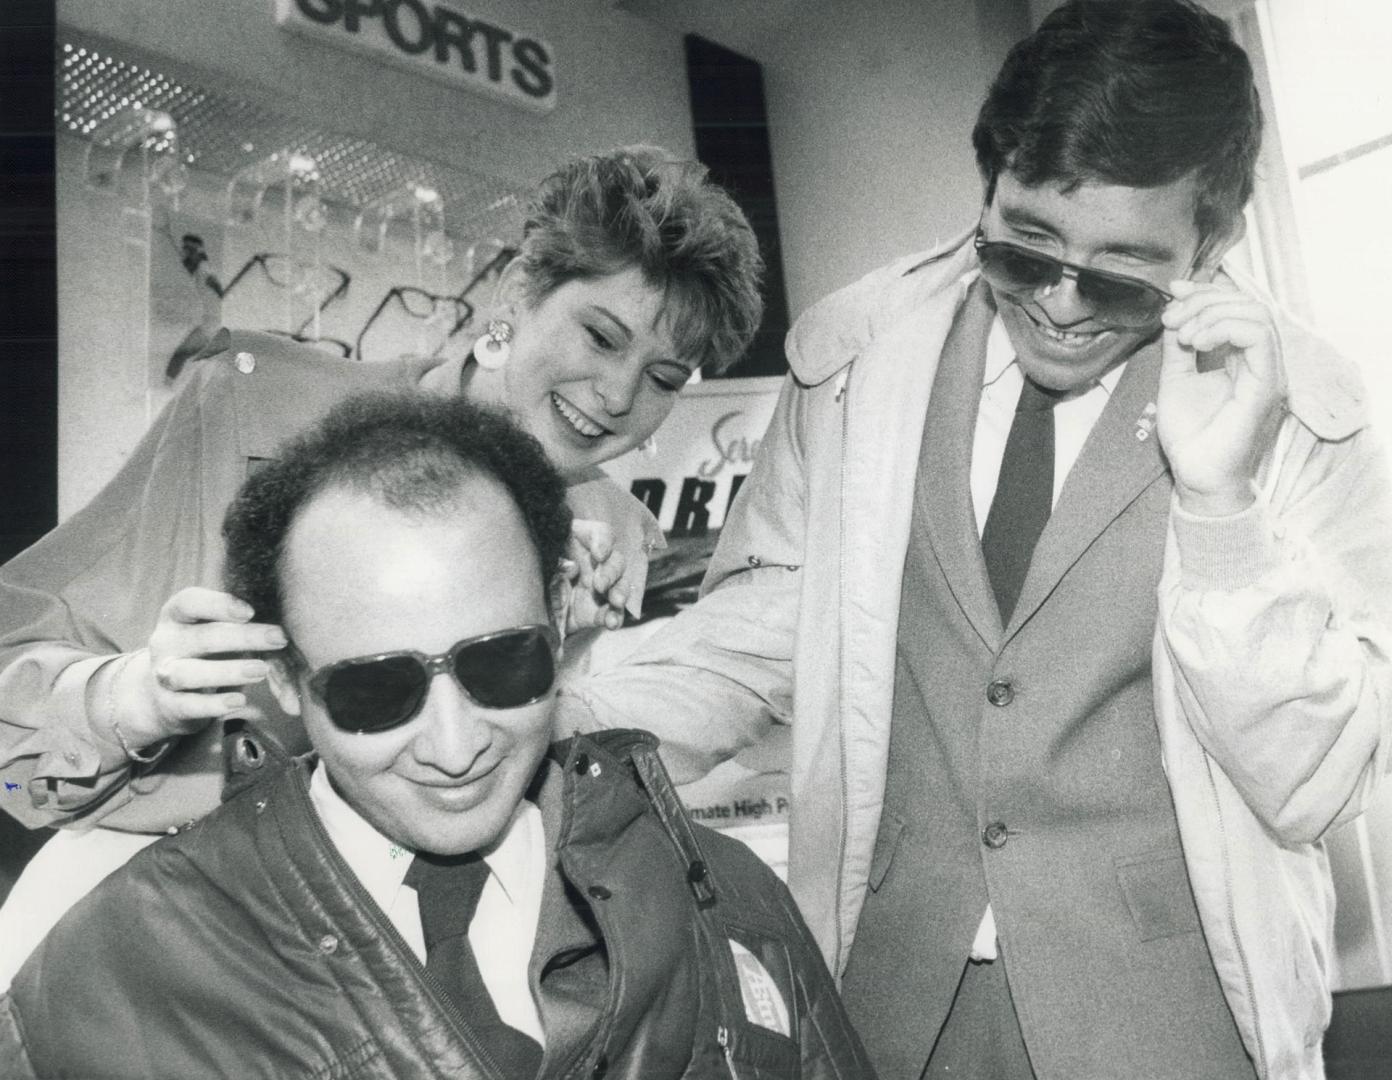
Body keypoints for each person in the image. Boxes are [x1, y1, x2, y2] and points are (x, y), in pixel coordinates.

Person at [556, 4, 1392, 1078]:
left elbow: (1316, 780)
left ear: (1212, 245)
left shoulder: (1305, 411)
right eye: (1025, 246)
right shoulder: (856, 364)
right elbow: (761, 635)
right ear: (987, 187)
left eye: (1122, 277)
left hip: (1177, 1014)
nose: (1060, 305)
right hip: (888, 1000)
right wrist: (537, 699)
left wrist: (1222, 507)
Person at [0, 393, 873, 1080]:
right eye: (377, 689)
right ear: (282, 677)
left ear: (560, 616)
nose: (456, 748)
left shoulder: (730, 903)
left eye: (503, 665)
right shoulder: (113, 981)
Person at [0, 144, 762, 835]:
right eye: (600, 337)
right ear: (519, 292)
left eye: (663, 378)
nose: (619, 396)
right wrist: (127, 697)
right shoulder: (254, 408)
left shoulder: (617, 536)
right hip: (168, 903)